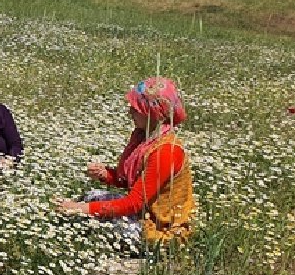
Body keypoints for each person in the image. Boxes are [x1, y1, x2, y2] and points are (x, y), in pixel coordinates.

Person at [57, 77, 195, 246]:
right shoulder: (143, 137)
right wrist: (106, 174)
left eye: (136, 109)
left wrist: (79, 208)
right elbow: (132, 182)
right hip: (144, 214)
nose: (130, 112)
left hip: (161, 229)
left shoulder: (166, 151)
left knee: (94, 217)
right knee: (92, 197)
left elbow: (134, 202)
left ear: (152, 113)